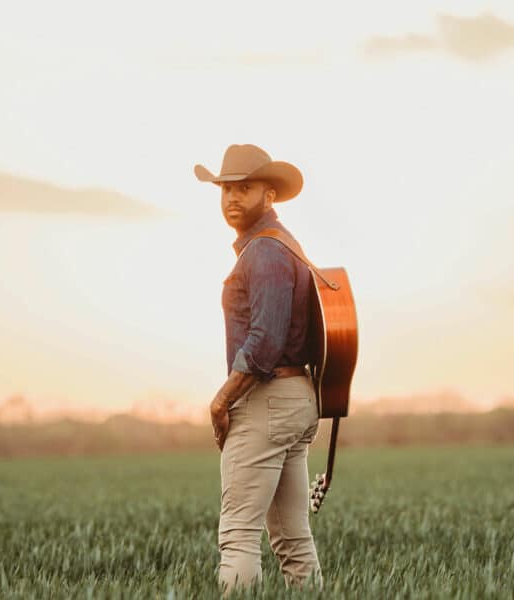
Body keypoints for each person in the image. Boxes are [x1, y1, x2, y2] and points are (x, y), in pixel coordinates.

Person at [194, 144, 323, 593]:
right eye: (226, 188)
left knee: (238, 536)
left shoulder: (265, 253)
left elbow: (264, 343)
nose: (231, 197)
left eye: (243, 188)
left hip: (267, 400)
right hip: (296, 399)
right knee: (292, 538)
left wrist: (221, 399)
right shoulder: (280, 246)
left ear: (269, 195)